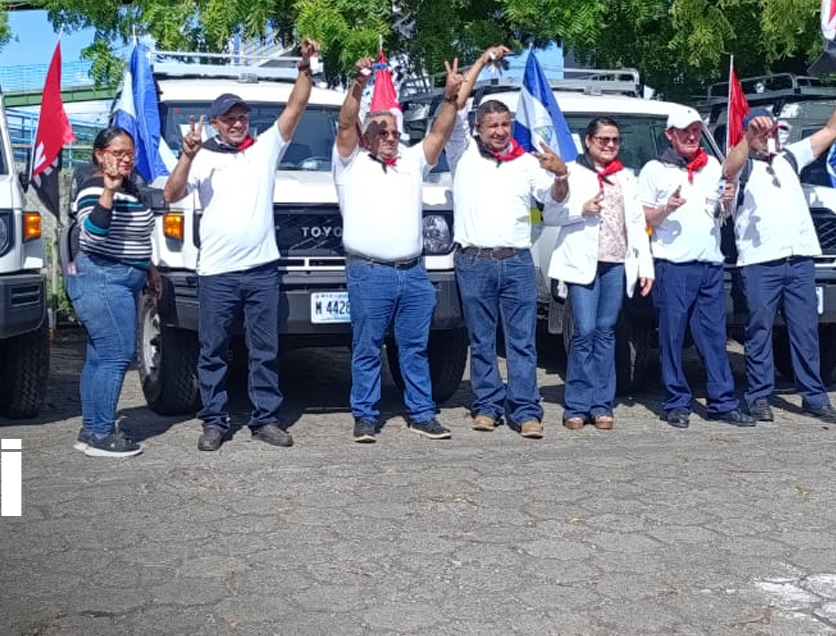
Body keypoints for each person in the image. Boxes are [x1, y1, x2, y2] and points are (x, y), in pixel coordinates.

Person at [163, 37, 321, 452]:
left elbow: (295, 107)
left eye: (242, 116)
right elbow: (171, 194)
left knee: (264, 350)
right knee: (213, 350)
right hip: (216, 273)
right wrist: (187, 156)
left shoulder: (265, 149)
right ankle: (214, 422)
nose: (237, 123)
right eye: (229, 118)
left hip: (262, 271)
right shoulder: (202, 156)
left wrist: (305, 66)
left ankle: (265, 419)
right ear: (215, 123)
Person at [723, 59, 836, 425]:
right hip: (760, 262)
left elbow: (833, 130)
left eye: (772, 131)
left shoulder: (789, 158)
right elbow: (729, 169)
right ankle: (757, 396)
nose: (769, 136)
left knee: (804, 330)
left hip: (800, 260)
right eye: (762, 132)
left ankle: (813, 396)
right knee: (758, 330)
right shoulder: (745, 165)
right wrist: (746, 139)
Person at [333, 54, 464, 443]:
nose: (391, 138)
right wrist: (358, 84)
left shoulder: (411, 161)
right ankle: (365, 416)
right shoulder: (349, 164)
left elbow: (439, 132)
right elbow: (344, 123)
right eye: (382, 132)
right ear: (367, 137)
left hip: (413, 274)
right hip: (369, 273)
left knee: (414, 348)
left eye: (394, 132)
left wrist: (451, 97)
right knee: (367, 347)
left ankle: (422, 413)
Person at [446, 47, 570, 439]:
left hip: (516, 262)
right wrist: (481, 61)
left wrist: (562, 175)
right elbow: (457, 103)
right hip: (473, 261)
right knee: (482, 341)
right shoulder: (461, 151)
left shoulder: (527, 160)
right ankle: (486, 407)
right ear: (479, 128)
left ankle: (526, 410)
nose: (499, 131)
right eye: (492, 125)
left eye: (505, 124)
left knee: (521, 342)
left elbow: (553, 201)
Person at [636, 107, 754, 429]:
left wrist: (728, 198)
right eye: (684, 131)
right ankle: (676, 402)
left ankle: (722, 401)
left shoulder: (712, 166)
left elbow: (720, 212)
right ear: (670, 134)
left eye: (696, 130)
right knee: (672, 337)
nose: (691, 136)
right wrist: (665, 209)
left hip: (708, 263)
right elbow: (641, 217)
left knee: (715, 337)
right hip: (673, 265)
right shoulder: (654, 170)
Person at [544, 117, 654, 431]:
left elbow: (636, 226)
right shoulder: (571, 172)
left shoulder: (626, 178)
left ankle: (602, 404)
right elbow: (550, 214)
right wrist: (582, 210)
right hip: (583, 264)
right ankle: (577, 404)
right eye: (603, 139)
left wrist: (645, 267)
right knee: (585, 331)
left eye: (615, 140)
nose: (609, 145)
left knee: (607, 332)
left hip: (615, 264)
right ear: (589, 141)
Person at [67, 127, 159, 458]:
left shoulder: (130, 187)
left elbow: (131, 236)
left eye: (129, 153)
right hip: (103, 279)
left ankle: (91, 428)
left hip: (120, 277)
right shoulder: (93, 188)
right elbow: (92, 234)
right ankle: (101, 434)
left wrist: (148, 267)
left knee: (99, 357)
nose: (124, 159)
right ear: (99, 154)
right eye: (117, 153)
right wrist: (107, 191)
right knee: (117, 355)